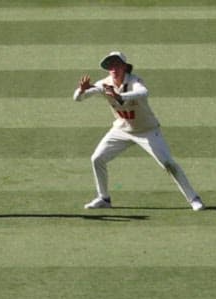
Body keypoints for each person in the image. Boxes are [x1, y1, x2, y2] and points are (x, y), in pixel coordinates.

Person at [74, 50, 204, 212]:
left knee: (169, 164)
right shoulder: (105, 83)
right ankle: (104, 198)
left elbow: (143, 92)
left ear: (125, 67)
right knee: (97, 158)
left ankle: (194, 198)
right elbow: (78, 98)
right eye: (110, 66)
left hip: (147, 131)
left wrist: (120, 96)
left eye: (117, 65)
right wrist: (81, 90)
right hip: (122, 130)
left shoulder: (134, 81)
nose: (113, 69)